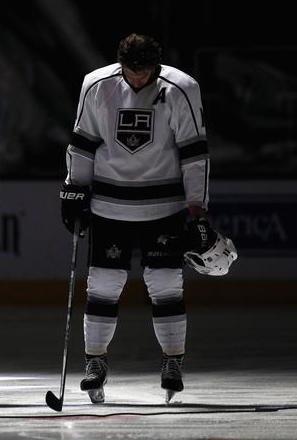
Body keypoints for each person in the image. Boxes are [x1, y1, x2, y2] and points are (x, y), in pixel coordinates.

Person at [60, 33, 212, 404]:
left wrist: (198, 208)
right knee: (103, 283)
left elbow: (194, 150)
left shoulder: (181, 87)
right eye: (133, 70)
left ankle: (172, 361)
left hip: (163, 206)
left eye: (145, 71)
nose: (139, 78)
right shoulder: (96, 85)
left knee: (165, 284)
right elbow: (82, 142)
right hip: (109, 204)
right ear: (121, 62)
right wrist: (73, 190)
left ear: (156, 63)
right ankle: (95, 362)